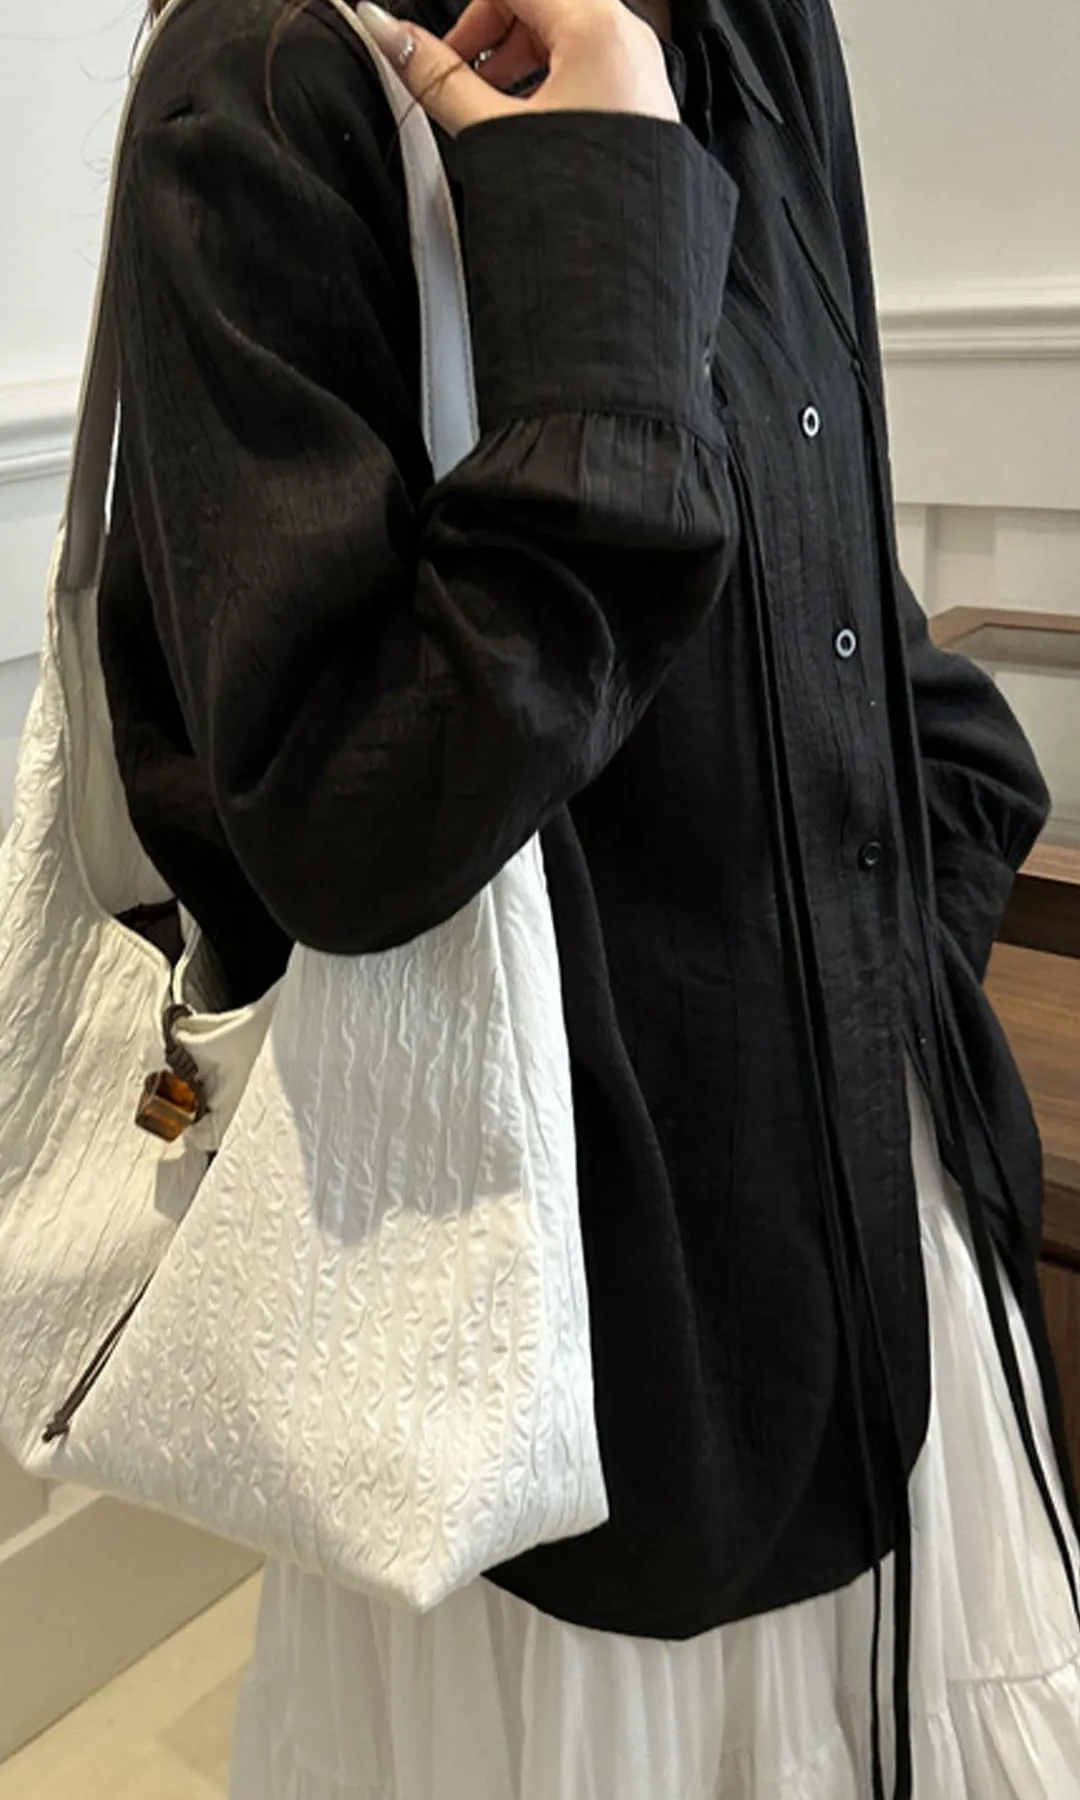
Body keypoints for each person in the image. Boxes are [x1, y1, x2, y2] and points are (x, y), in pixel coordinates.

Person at [94, 0, 1080, 1791]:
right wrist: (604, 220)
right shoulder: (268, 76)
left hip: (875, 1182)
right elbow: (345, 828)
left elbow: (832, 565)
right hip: (560, 1316)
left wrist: (906, 948)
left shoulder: (758, 27)